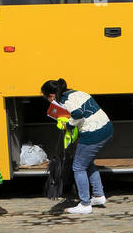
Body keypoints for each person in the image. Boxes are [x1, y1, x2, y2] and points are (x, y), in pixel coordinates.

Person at [42, 78, 113, 215]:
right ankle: (98, 196)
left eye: (47, 98)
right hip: (107, 128)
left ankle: (85, 204)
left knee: (78, 167)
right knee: (87, 163)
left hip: (93, 134)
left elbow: (78, 115)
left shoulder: (65, 101)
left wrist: (68, 125)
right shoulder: (76, 92)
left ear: (51, 95)